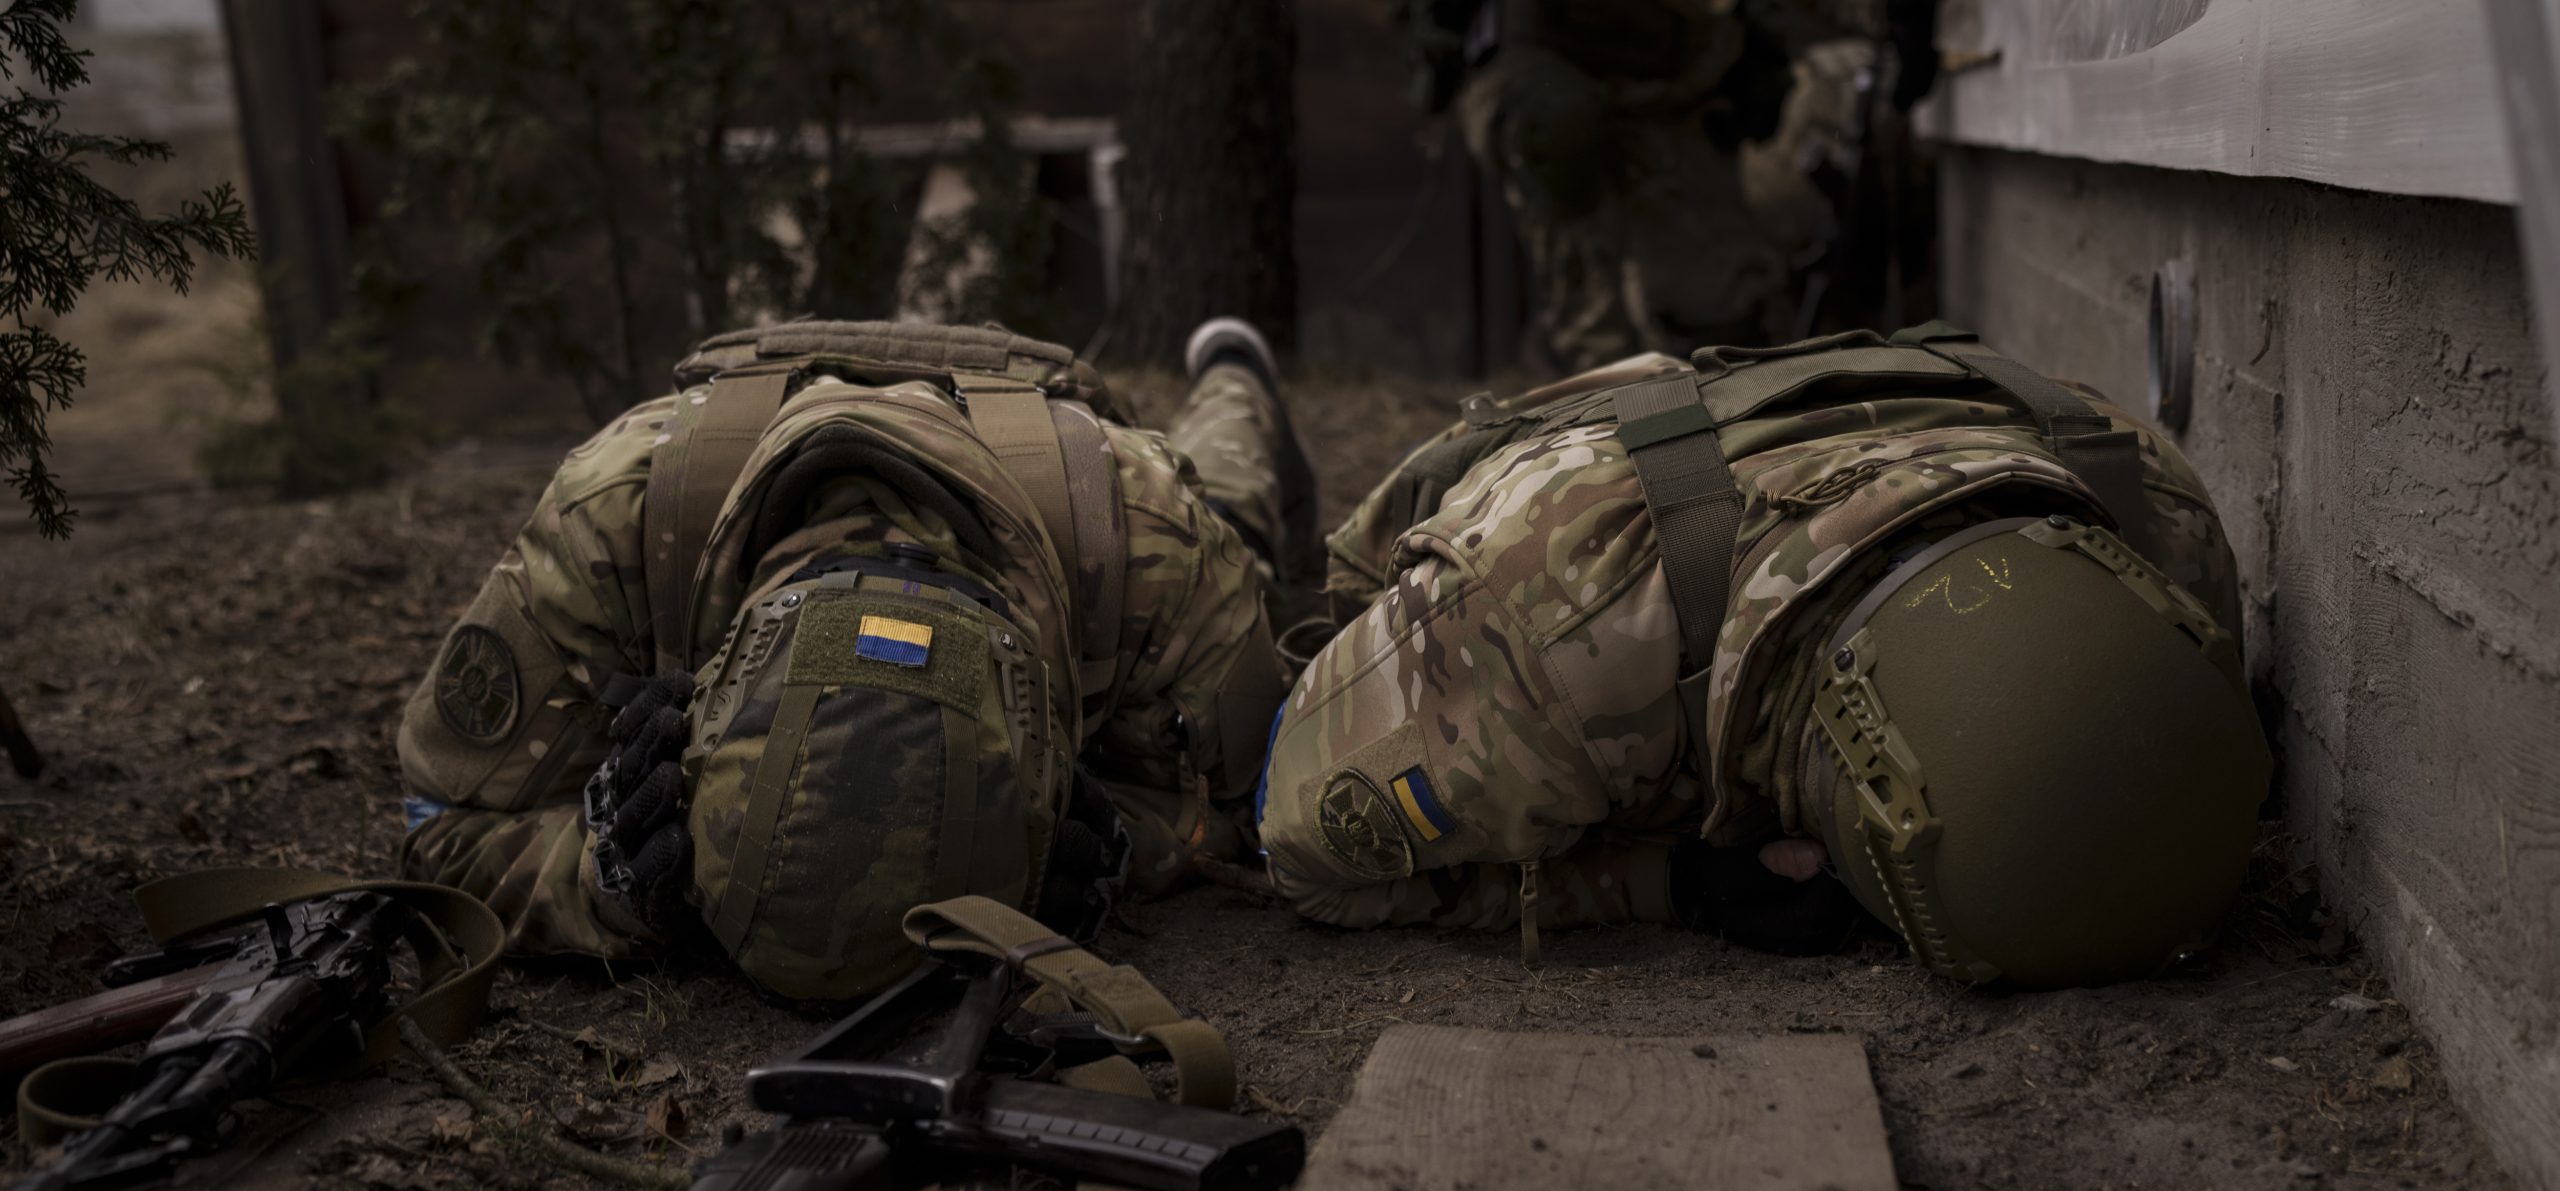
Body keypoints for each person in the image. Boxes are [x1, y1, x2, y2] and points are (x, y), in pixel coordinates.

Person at [1257, 324, 2274, 989]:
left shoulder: (2157, 517)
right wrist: (1668, 884)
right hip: (1540, 505)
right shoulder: (1545, 665)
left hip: (1762, 431)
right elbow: (1298, 851)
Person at [397, 317, 1312, 1000]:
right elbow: (435, 816)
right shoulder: (611, 525)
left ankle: (1234, 373)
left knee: (1234, 488)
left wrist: (1110, 843)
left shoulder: (1158, 545)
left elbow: (1244, 806)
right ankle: (1230, 378)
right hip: (1016, 503)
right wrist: (612, 876)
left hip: (1074, 491)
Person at [1399, 0, 1931, 370]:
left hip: (1671, 89)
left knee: (1724, 321)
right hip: (1540, 72)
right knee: (1560, 130)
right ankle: (1585, 367)